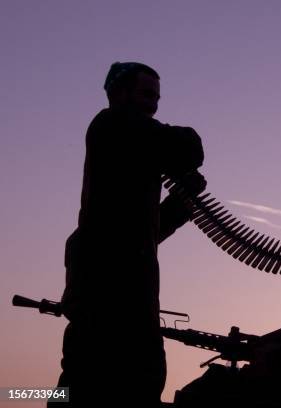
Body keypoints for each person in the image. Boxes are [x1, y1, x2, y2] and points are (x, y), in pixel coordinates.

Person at [51, 62, 206, 407]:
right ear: (118, 94)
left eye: (157, 98)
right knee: (82, 390)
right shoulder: (112, 125)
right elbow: (188, 147)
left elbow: (143, 232)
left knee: (127, 387)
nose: (153, 105)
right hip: (108, 318)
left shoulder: (130, 164)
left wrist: (181, 204)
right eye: (146, 94)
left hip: (133, 317)